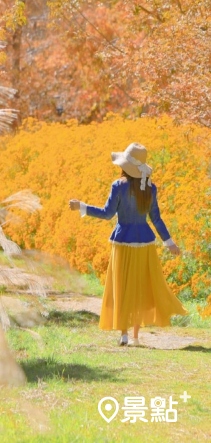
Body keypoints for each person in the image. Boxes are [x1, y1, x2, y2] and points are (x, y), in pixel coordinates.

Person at [69, 142, 188, 346]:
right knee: (139, 286)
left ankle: (123, 334)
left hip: (122, 240)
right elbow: (156, 219)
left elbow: (107, 214)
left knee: (122, 285)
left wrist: (83, 207)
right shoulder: (150, 188)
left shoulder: (118, 186)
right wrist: (169, 242)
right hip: (145, 242)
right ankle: (135, 337)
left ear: (125, 166)